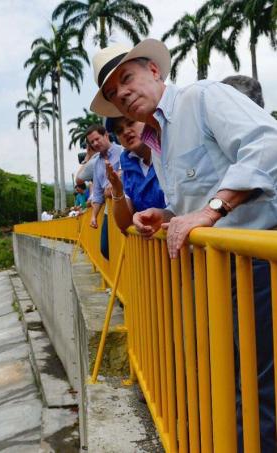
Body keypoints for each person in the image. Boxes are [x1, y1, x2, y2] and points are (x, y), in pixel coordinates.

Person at [90, 39, 277, 451]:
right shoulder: (158, 139)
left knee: (254, 386)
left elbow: (267, 146)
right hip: (215, 270)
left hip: (255, 265)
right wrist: (167, 215)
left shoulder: (202, 97)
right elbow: (190, 201)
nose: (122, 94)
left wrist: (211, 211)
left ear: (154, 71)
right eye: (113, 93)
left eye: (127, 78)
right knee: (228, 377)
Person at [104, 116, 166, 232]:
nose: (126, 132)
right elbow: (124, 224)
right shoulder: (127, 168)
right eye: (119, 131)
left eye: (131, 122)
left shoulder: (170, 150)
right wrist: (117, 190)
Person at [85, 124, 122, 260]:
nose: (95, 143)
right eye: (92, 142)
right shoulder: (96, 163)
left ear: (106, 135)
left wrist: (115, 182)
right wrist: (94, 216)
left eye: (97, 139)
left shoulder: (122, 151)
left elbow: (126, 174)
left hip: (126, 205)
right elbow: (97, 193)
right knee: (105, 248)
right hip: (109, 210)